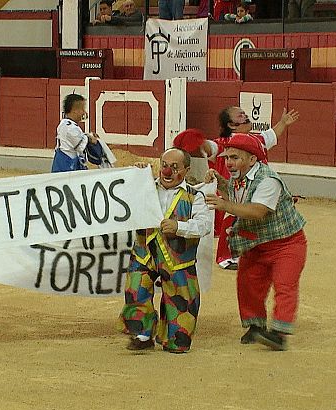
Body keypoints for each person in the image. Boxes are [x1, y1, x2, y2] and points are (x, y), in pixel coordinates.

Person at [204, 133, 307, 351]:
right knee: (247, 283)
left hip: (286, 244)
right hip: (255, 245)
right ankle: (255, 327)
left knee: (284, 285)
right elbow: (235, 196)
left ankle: (279, 334)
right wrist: (219, 181)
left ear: (252, 159)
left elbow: (258, 211)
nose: (229, 163)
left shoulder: (268, 180)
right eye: (227, 158)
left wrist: (224, 206)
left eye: (234, 158)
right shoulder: (239, 177)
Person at [119, 148, 211, 354]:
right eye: (165, 165)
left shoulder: (195, 196)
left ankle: (175, 339)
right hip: (145, 252)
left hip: (179, 258)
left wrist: (179, 227)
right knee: (136, 288)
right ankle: (142, 335)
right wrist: (136, 177)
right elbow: (123, 200)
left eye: (175, 167)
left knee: (181, 298)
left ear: (186, 170)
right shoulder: (147, 187)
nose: (167, 172)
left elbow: (204, 225)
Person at [209, 106, 299, 269]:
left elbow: (272, 134)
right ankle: (227, 257)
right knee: (232, 218)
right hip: (233, 189)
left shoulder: (256, 139)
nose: (245, 116)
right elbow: (210, 148)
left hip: (252, 188)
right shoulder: (223, 142)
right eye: (240, 115)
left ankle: (246, 253)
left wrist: (283, 123)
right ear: (231, 125)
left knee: (251, 219)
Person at [51, 93, 98, 172]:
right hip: (67, 166)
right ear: (75, 111)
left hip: (66, 163)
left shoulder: (67, 124)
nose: (84, 112)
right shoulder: (69, 127)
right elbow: (79, 144)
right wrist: (91, 139)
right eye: (82, 109)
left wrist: (88, 136)